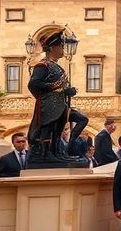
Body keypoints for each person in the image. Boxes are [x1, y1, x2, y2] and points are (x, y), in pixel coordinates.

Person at [26, 30, 88, 166]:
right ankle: (46, 154)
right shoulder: (43, 65)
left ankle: (65, 149)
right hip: (48, 105)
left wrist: (68, 91)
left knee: (81, 120)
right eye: (61, 46)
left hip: (60, 105)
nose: (63, 49)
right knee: (49, 130)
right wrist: (54, 88)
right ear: (52, 48)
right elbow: (33, 84)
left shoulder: (56, 66)